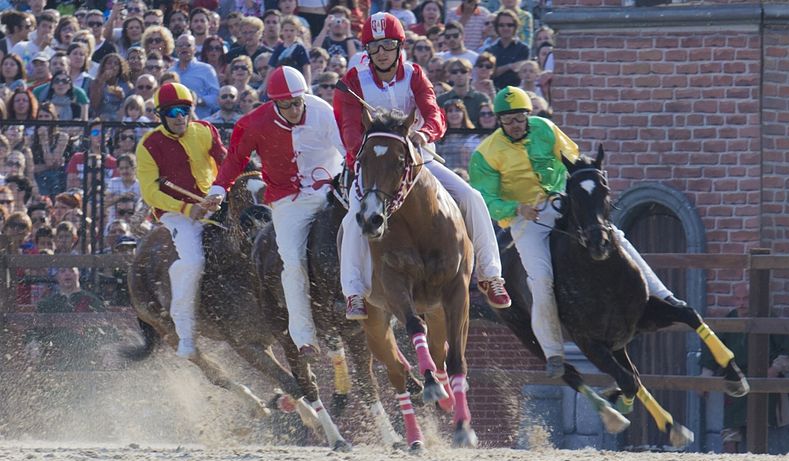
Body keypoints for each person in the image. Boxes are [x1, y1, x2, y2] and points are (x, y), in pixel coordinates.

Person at [469, 87, 686, 379]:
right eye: (508, 121)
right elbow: (485, 198)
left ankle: (665, 296)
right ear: (499, 121)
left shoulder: (545, 129)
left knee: (615, 236)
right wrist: (517, 208)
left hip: (561, 203)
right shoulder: (485, 153)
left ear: (527, 115)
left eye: (519, 118)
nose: (515, 125)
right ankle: (554, 352)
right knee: (541, 279)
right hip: (524, 218)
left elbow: (573, 159)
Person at [333, 12, 510, 320]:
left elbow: (435, 115)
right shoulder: (352, 81)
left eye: (387, 45)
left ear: (399, 45)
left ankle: (490, 275)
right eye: (374, 47)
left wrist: (423, 133)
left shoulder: (415, 74)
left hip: (416, 157)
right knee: (352, 219)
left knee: (472, 197)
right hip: (374, 164)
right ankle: (354, 292)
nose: (382, 53)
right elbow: (348, 128)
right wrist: (362, 153)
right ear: (367, 52)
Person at [206, 66, 345, 363]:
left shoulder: (323, 110)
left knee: (364, 229)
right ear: (274, 103)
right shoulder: (253, 123)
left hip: (332, 188)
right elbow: (236, 159)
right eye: (286, 105)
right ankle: (304, 337)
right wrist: (219, 188)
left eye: (297, 102)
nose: (294, 110)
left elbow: (348, 151)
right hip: (289, 199)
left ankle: (360, 298)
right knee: (292, 261)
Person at [136, 82, 227, 358]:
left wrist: (221, 191)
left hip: (213, 204)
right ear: (160, 115)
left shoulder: (206, 131)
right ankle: (185, 333)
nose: (180, 117)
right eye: (173, 111)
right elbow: (151, 193)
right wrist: (187, 208)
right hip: (178, 216)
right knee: (193, 261)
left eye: (185, 110)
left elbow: (225, 163)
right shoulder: (148, 145)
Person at [700, 283, 789, 453]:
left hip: (766, 383)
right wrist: (705, 377)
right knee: (731, 428)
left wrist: (772, 371)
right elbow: (713, 350)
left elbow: (788, 352)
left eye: (745, 299)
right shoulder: (729, 320)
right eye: (738, 299)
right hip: (736, 381)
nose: (741, 303)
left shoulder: (769, 319)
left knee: (766, 425)